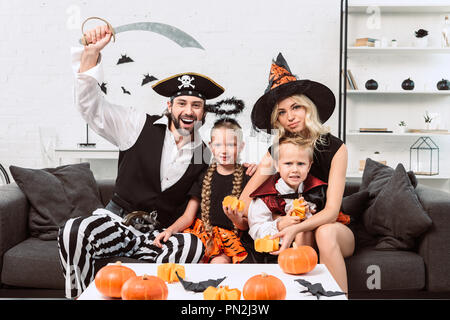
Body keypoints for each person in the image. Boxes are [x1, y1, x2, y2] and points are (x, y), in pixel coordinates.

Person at [58, 25, 255, 299]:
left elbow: (229, 166)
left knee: (193, 246)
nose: (189, 111)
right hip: (118, 223)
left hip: (162, 236)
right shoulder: (136, 124)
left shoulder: (206, 153)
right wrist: (91, 55)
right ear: (169, 106)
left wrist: (253, 168)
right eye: (182, 103)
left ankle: (153, 294)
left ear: (203, 112)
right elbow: (91, 107)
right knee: (74, 229)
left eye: (196, 106)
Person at [240, 53, 355, 293]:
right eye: (281, 112)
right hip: (296, 229)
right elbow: (245, 200)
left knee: (323, 232)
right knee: (302, 236)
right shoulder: (278, 151)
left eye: (295, 107)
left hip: (332, 228)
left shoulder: (337, 148)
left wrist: (296, 228)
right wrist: (272, 220)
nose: (290, 117)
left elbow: (332, 211)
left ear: (308, 108)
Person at [157, 117, 251, 263]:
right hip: (200, 236)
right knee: (189, 257)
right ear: (211, 146)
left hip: (227, 242)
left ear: (241, 146)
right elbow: (188, 216)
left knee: (219, 265)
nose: (224, 150)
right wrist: (170, 230)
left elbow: (245, 224)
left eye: (231, 145)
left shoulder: (248, 177)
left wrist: (236, 219)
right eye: (218, 145)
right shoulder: (204, 176)